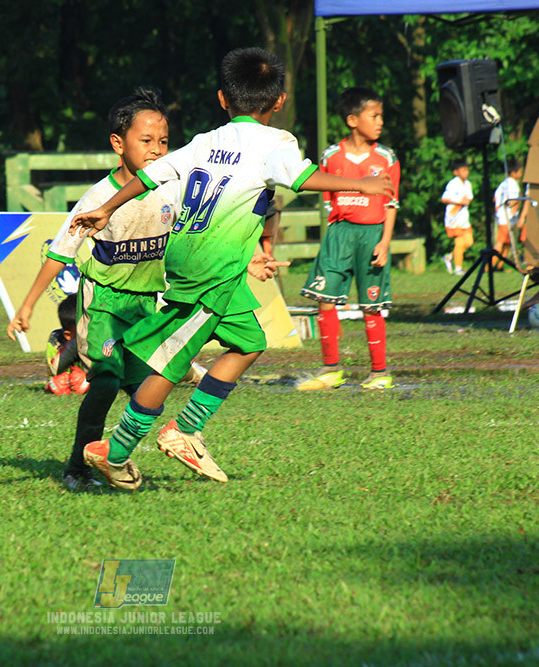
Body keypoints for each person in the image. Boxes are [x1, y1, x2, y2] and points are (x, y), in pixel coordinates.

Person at [70, 48, 392, 490]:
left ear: (223, 98)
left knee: (249, 341)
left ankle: (185, 430)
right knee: (169, 361)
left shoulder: (205, 140)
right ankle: (121, 449)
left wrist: (107, 207)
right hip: (210, 268)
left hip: (198, 258)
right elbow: (302, 179)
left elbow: (149, 176)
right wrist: (361, 184)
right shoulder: (277, 142)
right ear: (279, 101)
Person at [7, 87, 177, 490]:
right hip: (103, 305)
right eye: (146, 140)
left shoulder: (173, 189)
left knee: (146, 389)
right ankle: (77, 468)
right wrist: (27, 306)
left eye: (164, 141)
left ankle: (113, 458)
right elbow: (60, 252)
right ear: (118, 143)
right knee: (105, 379)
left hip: (144, 307)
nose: (156, 150)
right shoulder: (100, 197)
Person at [297, 87, 400, 391]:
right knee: (324, 299)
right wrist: (334, 232)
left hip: (372, 235)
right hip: (339, 234)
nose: (380, 122)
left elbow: (392, 203)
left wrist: (384, 243)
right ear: (353, 120)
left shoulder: (386, 158)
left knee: (371, 305)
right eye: (374, 116)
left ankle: (379, 373)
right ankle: (331, 370)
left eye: (381, 116)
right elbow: (327, 198)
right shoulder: (331, 156)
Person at [44, 294, 89, 396]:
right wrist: (54, 385)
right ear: (68, 335)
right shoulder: (55, 340)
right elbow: (53, 374)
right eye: (82, 330)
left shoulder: (103, 339)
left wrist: (90, 383)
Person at [492, 157, 527, 270]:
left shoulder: (503, 184)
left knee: (507, 243)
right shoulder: (513, 185)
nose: (520, 174)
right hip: (507, 217)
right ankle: (489, 266)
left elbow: (495, 198)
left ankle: (499, 266)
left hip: (501, 216)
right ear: (513, 172)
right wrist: (519, 200)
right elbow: (512, 201)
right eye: (520, 172)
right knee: (500, 242)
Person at [441, 158, 473, 275]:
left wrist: (466, 201)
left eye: (467, 170)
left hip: (464, 218)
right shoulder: (453, 184)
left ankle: (449, 257)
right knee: (459, 242)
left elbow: (469, 198)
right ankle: (458, 268)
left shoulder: (468, 184)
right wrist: (459, 201)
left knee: (469, 242)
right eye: (463, 170)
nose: (466, 172)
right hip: (454, 218)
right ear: (456, 172)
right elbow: (444, 198)